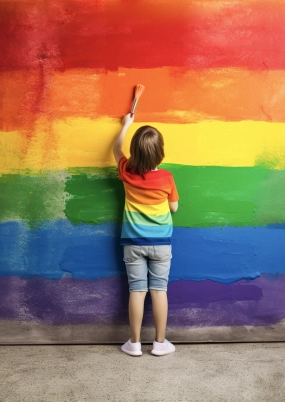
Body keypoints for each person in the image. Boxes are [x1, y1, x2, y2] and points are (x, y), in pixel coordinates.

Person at [113, 113, 179, 357]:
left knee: (137, 290)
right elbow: (174, 208)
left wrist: (126, 125)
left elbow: (116, 147)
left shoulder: (127, 171)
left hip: (132, 243)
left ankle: (134, 343)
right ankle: (160, 343)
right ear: (160, 153)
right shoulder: (167, 178)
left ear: (134, 153)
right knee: (159, 290)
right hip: (161, 243)